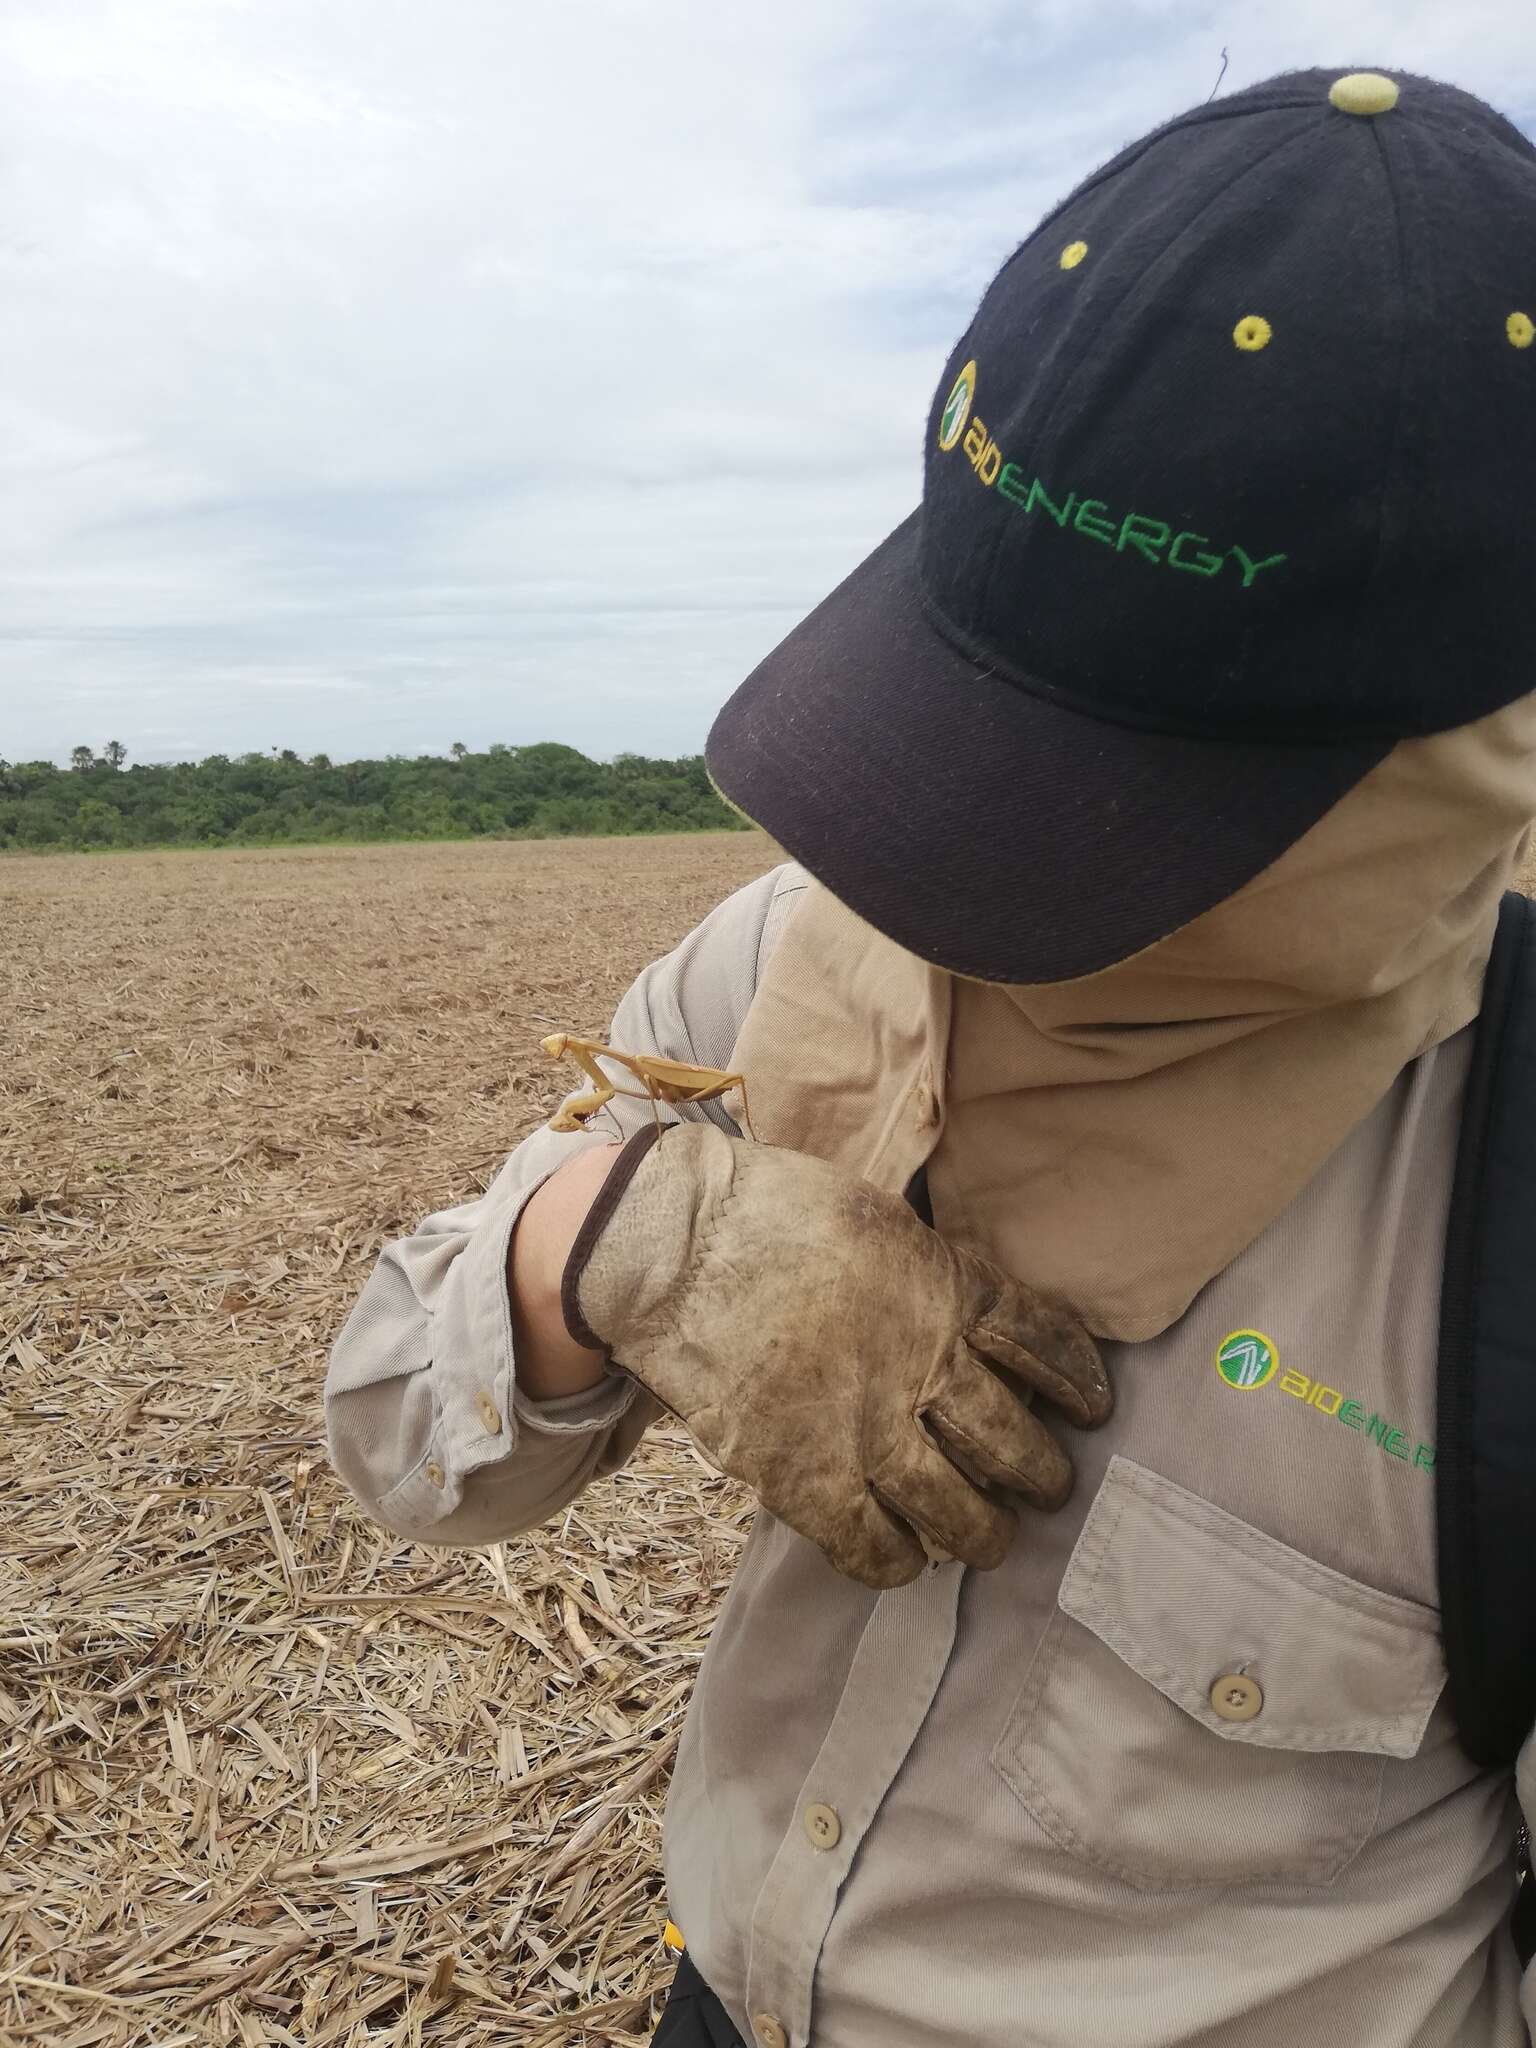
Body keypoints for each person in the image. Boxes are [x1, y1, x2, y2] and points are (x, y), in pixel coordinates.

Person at [326, 65, 1536, 2048]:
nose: (949, 903)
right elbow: (394, 1432)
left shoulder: (1497, 1184)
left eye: (1106, 809)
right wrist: (603, 1239)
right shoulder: (790, 961)